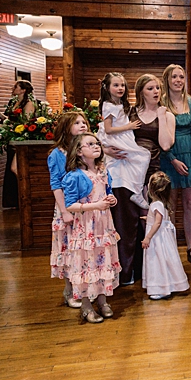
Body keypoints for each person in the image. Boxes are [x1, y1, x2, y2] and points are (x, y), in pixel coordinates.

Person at [110, 74, 175, 286]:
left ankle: (152, 274)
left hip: (152, 174)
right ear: (140, 92)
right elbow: (110, 135)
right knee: (127, 225)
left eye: (157, 88)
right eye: (150, 88)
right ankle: (127, 271)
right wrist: (106, 149)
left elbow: (165, 145)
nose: (156, 91)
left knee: (151, 222)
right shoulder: (129, 113)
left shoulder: (167, 115)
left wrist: (163, 116)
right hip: (128, 173)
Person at [63, 133, 121, 324]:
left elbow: (108, 192)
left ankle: (103, 300)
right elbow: (70, 205)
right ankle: (87, 306)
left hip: (103, 226)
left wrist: (111, 200)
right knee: (87, 264)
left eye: (97, 143)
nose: (96, 146)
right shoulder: (75, 176)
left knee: (102, 262)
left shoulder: (103, 171)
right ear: (79, 152)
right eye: (90, 144)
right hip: (87, 227)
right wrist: (94, 206)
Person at [160, 64, 191, 267]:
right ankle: (169, 248)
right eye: (174, 77)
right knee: (170, 204)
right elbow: (157, 135)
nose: (178, 80)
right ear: (167, 80)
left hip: (189, 155)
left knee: (189, 204)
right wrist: (171, 158)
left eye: (181, 77)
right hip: (168, 156)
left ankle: (190, 247)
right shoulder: (160, 102)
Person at [48, 110, 89, 308]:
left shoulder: (85, 149)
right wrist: (64, 211)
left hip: (86, 205)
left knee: (83, 249)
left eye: (84, 122)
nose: (83, 125)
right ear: (66, 128)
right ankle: (70, 290)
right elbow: (56, 183)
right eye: (77, 123)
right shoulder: (57, 154)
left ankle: (86, 288)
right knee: (68, 248)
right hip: (68, 206)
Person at [97, 72, 151, 209]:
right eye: (116, 85)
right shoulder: (108, 105)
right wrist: (129, 126)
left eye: (122, 85)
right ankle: (137, 192)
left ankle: (135, 188)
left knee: (138, 160)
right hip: (116, 137)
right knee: (143, 156)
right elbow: (108, 129)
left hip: (123, 136)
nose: (120, 88)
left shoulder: (120, 103)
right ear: (107, 88)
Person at [141, 171, 189, 300]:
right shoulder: (162, 204)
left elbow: (157, 223)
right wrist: (148, 218)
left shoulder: (156, 204)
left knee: (158, 260)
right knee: (165, 260)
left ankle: (162, 287)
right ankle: (167, 284)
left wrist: (148, 237)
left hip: (157, 238)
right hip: (162, 236)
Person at [3, 79, 37, 208]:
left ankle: (24, 196)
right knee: (11, 168)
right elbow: (9, 119)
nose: (13, 89)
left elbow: (25, 123)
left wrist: (7, 126)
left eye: (16, 87)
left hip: (20, 138)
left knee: (15, 168)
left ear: (23, 90)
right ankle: (14, 200)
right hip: (13, 138)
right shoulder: (14, 103)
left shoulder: (28, 104)